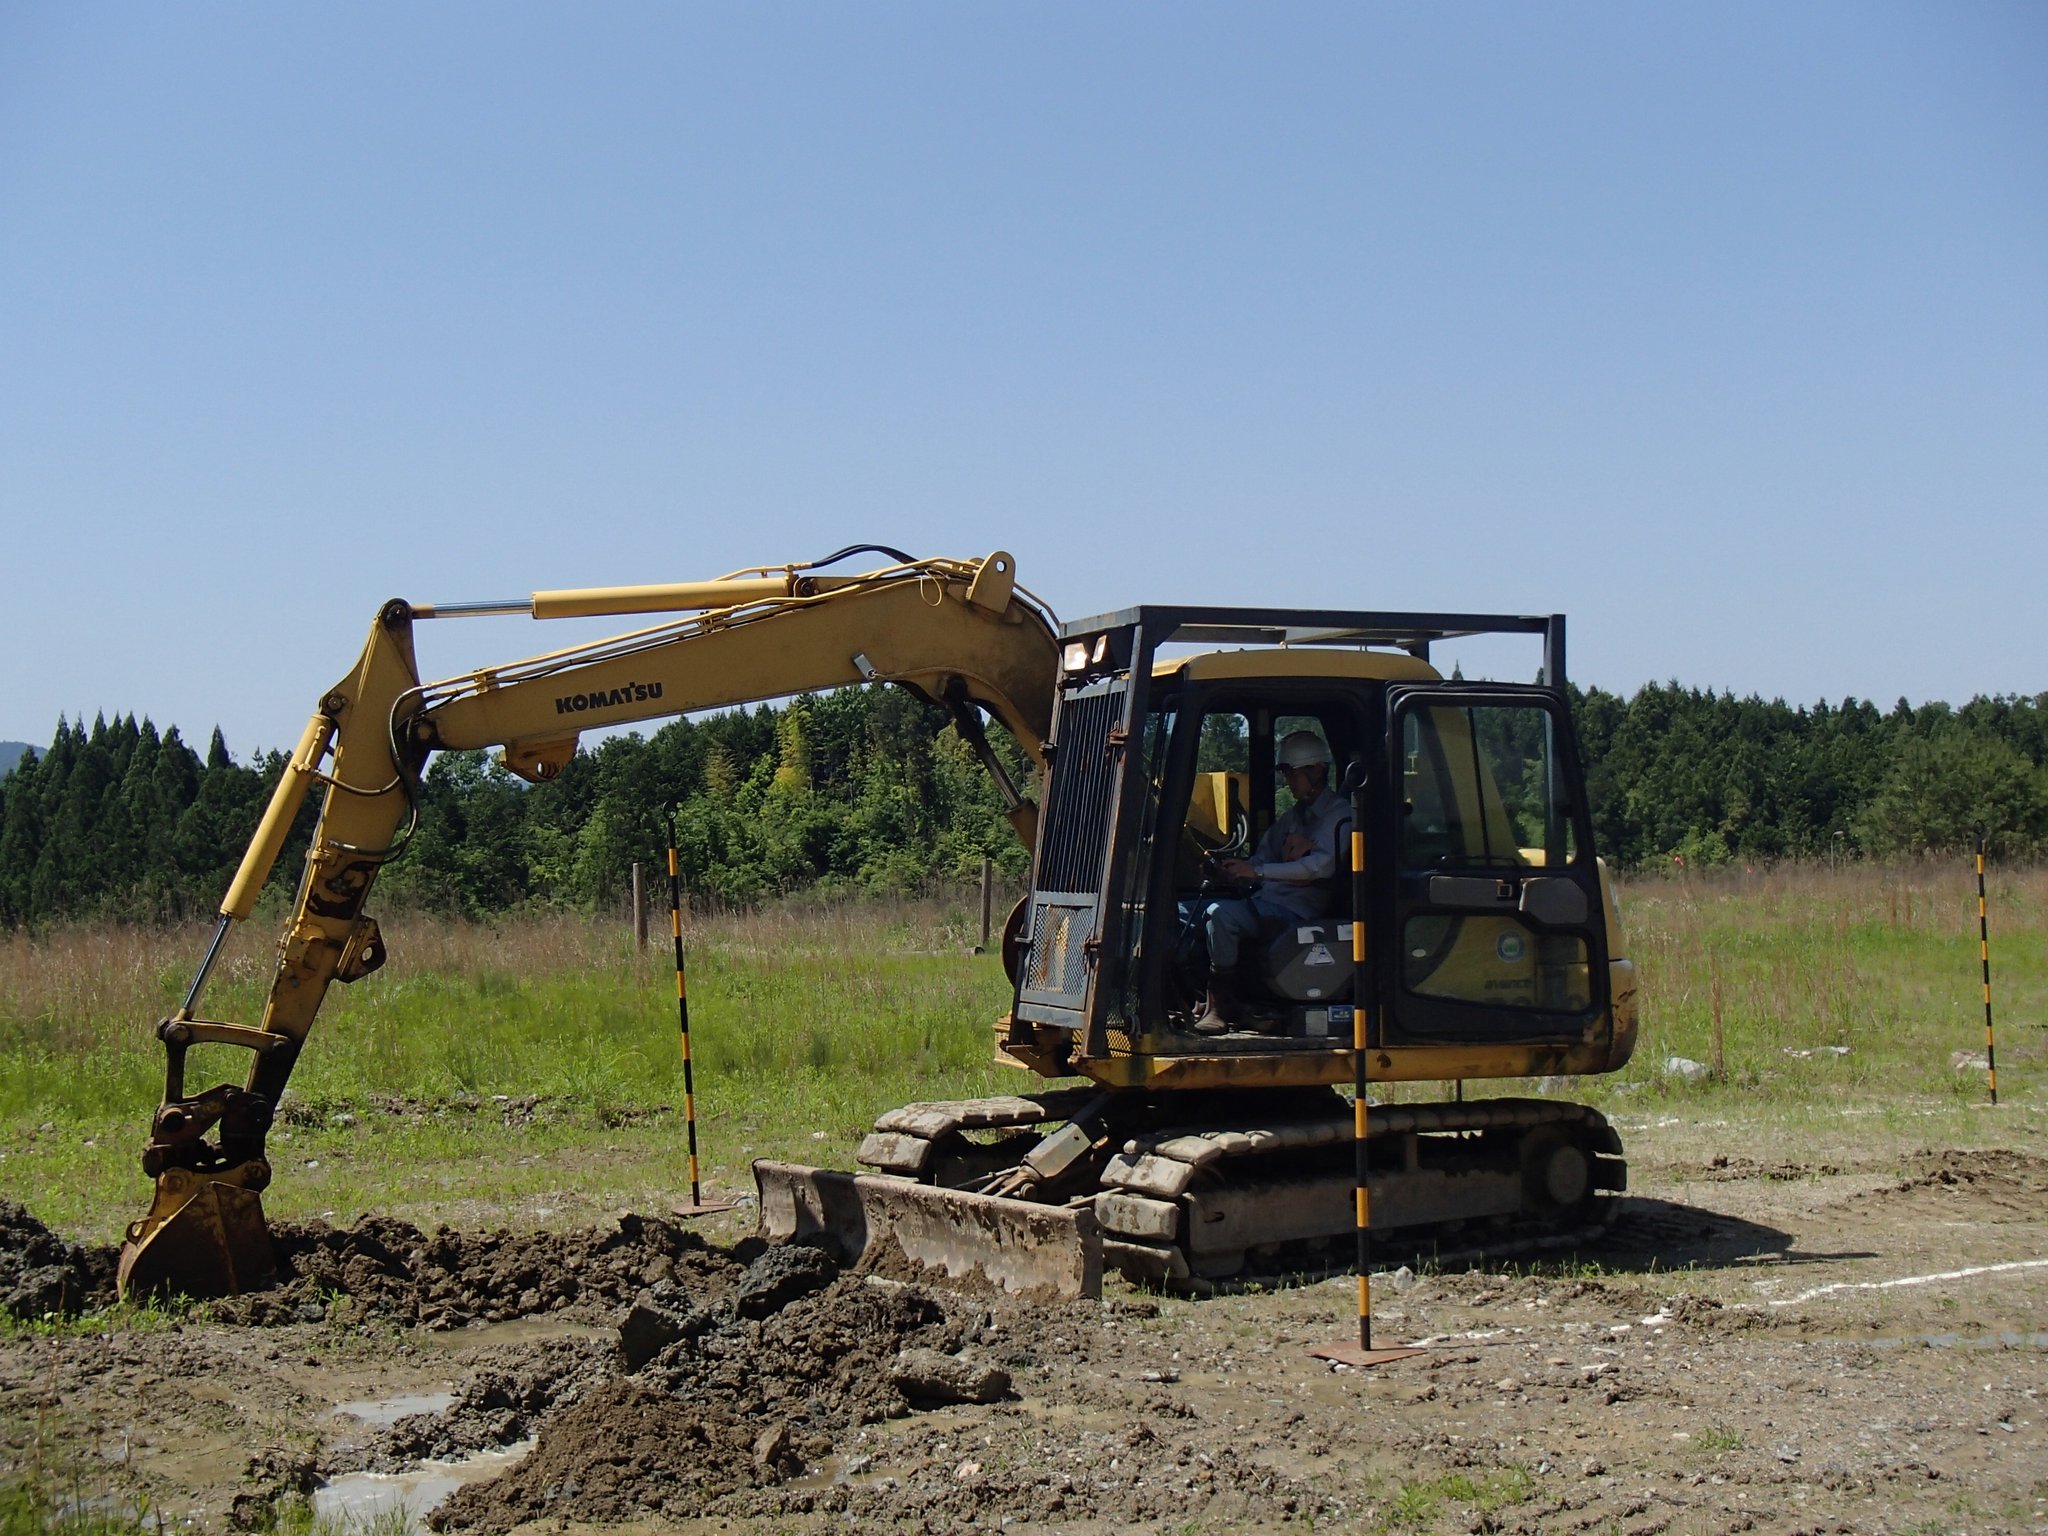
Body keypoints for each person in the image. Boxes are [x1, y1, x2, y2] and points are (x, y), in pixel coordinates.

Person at [1193, 730, 1350, 1034]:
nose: (1288, 781)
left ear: (1316, 770)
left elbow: (1318, 867)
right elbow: (1264, 857)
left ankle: (1222, 1005)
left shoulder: (1341, 816)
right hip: (1267, 901)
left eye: (1291, 774)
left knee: (1220, 916)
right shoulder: (1294, 817)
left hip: (1296, 914)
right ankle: (1199, 996)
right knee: (1184, 911)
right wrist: (1238, 868)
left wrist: (1259, 873)